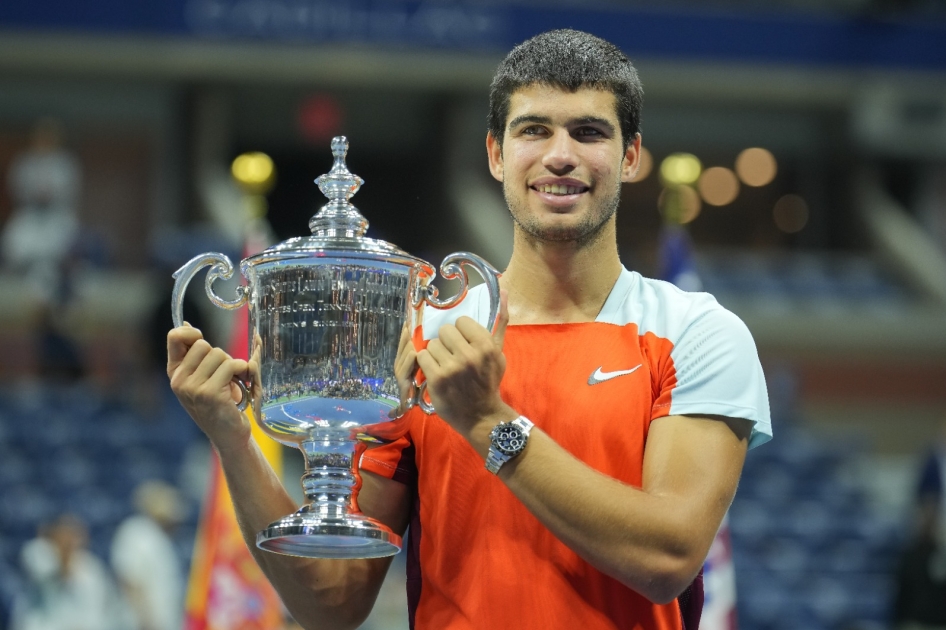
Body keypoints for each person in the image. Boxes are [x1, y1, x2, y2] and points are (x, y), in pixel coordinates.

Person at [167, 29, 772, 630]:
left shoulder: (697, 333)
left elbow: (667, 556)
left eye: (589, 132)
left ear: (631, 156)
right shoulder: (420, 340)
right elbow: (332, 604)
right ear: (495, 153)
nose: (560, 155)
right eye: (534, 130)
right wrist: (233, 438)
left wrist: (487, 421)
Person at [10, 514, 119, 630]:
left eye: (74, 533)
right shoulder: (37, 551)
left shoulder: (91, 564)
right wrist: (64, 554)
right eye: (65, 532)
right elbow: (56, 574)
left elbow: (97, 608)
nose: (70, 539)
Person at [110, 481, 186, 630]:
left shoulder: (161, 538)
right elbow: (130, 579)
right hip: (141, 624)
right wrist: (145, 620)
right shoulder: (137, 531)